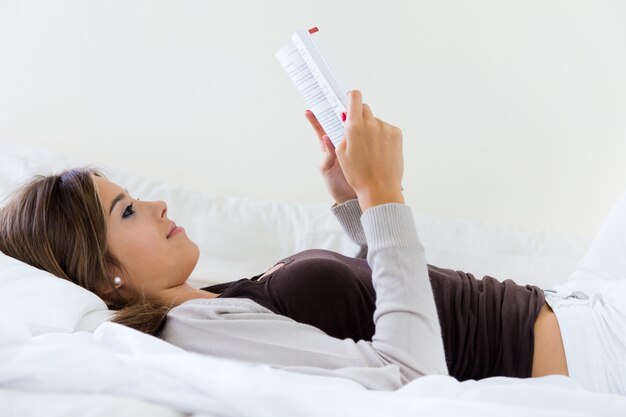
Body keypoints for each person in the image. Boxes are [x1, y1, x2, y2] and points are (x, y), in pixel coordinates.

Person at [0, 90, 570, 391]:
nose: (157, 205)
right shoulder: (192, 331)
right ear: (103, 277)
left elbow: (391, 307)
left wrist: (356, 206)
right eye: (127, 211)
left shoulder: (208, 302)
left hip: (558, 313)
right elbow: (408, 380)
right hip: (563, 350)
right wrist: (383, 194)